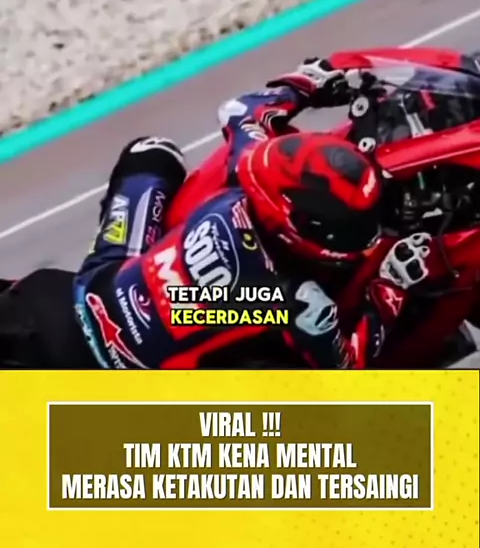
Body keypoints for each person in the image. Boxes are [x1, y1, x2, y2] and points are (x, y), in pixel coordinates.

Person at [0, 59, 430, 370]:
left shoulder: (250, 168)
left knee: (151, 153)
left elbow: (243, 110)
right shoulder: (297, 300)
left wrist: (305, 84)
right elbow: (348, 367)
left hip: (91, 287)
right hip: (111, 372)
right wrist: (392, 286)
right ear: (298, 229)